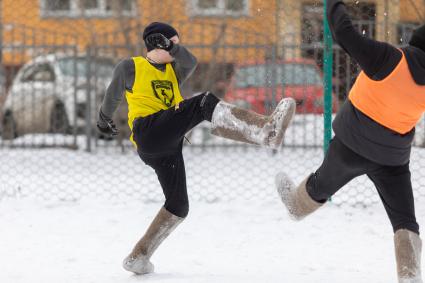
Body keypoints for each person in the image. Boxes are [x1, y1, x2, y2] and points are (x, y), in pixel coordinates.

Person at [97, 22, 296, 275]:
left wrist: (172, 48)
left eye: (177, 44)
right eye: (173, 43)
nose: (178, 48)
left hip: (168, 145)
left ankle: (139, 256)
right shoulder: (131, 67)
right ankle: (264, 131)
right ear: (155, 43)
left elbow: (191, 61)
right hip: (148, 132)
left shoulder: (174, 70)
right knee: (203, 102)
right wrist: (103, 120)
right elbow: (113, 95)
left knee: (178, 205)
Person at [275, 1, 425, 282]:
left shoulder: (390, 58)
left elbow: (344, 32)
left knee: (320, 185)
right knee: (405, 220)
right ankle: (410, 276)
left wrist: (334, 4)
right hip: (392, 159)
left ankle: (296, 206)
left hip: (351, 146)